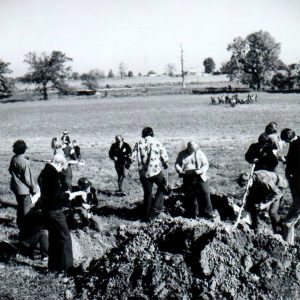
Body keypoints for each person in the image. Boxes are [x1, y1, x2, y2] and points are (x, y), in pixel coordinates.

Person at [37, 154, 83, 273]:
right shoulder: (53, 175)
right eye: (62, 168)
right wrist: (68, 195)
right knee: (65, 237)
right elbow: (55, 194)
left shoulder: (44, 172)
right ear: (59, 164)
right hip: (55, 211)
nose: (61, 170)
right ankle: (68, 267)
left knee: (54, 238)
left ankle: (54, 266)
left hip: (47, 210)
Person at [131, 127, 169, 221]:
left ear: (143, 134)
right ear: (152, 133)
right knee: (163, 186)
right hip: (155, 171)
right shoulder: (156, 141)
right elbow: (163, 153)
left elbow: (133, 157)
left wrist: (128, 164)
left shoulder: (138, 143)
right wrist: (165, 163)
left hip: (143, 173)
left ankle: (147, 216)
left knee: (147, 194)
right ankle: (157, 207)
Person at [175, 141, 217, 220]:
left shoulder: (200, 153)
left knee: (205, 192)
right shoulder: (182, 154)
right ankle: (193, 214)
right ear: (188, 148)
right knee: (191, 196)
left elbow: (206, 164)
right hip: (187, 177)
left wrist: (201, 170)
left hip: (200, 176)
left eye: (195, 149)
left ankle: (208, 213)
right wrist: (179, 169)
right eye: (192, 149)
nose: (194, 151)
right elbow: (177, 164)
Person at [8, 140, 38, 239]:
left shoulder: (14, 158)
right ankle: (26, 233)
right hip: (24, 190)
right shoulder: (24, 162)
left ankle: (20, 226)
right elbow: (28, 179)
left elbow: (10, 170)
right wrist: (35, 189)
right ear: (24, 149)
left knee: (20, 209)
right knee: (26, 212)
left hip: (16, 188)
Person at [280, 128, 300, 244]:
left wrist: (287, 162)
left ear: (290, 138)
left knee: (289, 221)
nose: (286, 143)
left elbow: (296, 162)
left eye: (286, 140)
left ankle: (288, 244)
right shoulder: (294, 143)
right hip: (295, 180)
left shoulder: (297, 144)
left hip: (297, 181)